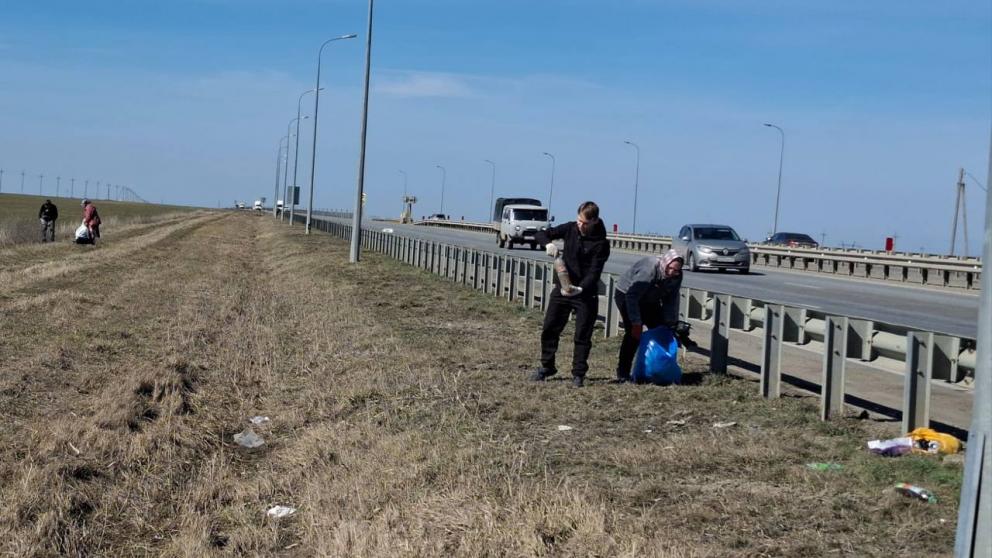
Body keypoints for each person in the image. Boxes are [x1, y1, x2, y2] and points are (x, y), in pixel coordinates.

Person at [530, 201, 611, 387]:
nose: (580, 225)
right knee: (550, 327)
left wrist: (581, 288)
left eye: (584, 223)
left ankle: (578, 374)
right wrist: (547, 244)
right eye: (578, 220)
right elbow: (540, 233)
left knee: (582, 335)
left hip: (585, 293)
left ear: (594, 221)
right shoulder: (570, 229)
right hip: (562, 288)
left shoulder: (601, 244)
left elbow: (595, 271)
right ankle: (547, 366)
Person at [613, 249, 684, 382]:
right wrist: (636, 322)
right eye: (672, 269)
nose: (673, 273)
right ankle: (623, 371)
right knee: (633, 334)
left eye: (677, 270)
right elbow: (632, 296)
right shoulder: (650, 269)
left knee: (661, 329)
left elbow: (671, 299)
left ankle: (659, 369)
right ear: (665, 263)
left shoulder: (676, 276)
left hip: (650, 300)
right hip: (627, 295)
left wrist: (671, 323)